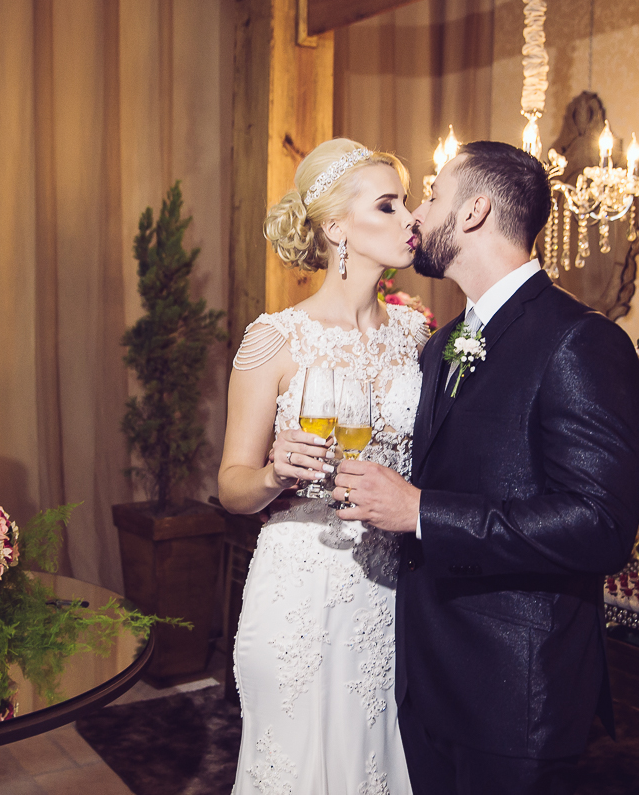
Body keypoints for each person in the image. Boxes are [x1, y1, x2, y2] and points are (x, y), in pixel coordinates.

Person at [332, 141, 639, 795]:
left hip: (515, 696)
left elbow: (600, 525)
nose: (417, 214)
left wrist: (422, 511)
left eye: (431, 196)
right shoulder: (443, 344)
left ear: (474, 211)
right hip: (428, 680)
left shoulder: (580, 340)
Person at [218, 138, 426, 794]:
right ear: (336, 227)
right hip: (301, 590)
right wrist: (273, 475)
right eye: (388, 206)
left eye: (408, 203)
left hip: (392, 588)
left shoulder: (418, 335)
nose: (411, 219)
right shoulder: (274, 339)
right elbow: (231, 486)